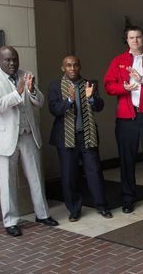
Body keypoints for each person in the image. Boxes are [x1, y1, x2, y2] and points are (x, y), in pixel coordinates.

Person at [0, 46, 59, 237]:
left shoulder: (26, 74)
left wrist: (31, 91)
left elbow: (39, 102)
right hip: (4, 138)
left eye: (15, 59)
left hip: (27, 135)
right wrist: (18, 91)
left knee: (36, 178)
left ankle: (42, 214)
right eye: (7, 60)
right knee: (7, 181)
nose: (13, 63)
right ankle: (11, 221)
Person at [104, 26, 143, 213]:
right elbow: (108, 86)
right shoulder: (119, 61)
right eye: (132, 38)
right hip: (126, 118)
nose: (135, 41)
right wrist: (125, 89)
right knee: (127, 160)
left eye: (138, 37)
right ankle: (128, 199)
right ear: (127, 40)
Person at [48, 55, 112, 221]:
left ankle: (102, 206)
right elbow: (54, 109)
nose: (72, 68)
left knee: (95, 173)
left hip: (87, 136)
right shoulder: (55, 86)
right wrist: (69, 99)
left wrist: (90, 98)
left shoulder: (89, 84)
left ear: (80, 67)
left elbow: (100, 106)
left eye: (75, 65)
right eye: (68, 65)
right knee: (69, 176)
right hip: (66, 138)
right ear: (63, 68)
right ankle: (74, 210)